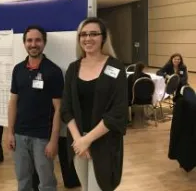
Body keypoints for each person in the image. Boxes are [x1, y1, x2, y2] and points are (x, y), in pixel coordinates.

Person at [60, 17, 128, 191]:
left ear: (103, 38)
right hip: (78, 141)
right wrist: (79, 140)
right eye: (83, 34)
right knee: (85, 187)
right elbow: (66, 109)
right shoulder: (73, 69)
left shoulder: (116, 67)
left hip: (104, 143)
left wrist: (87, 140)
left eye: (93, 34)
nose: (88, 38)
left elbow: (117, 112)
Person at [7, 25, 64, 191]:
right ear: (24, 43)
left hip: (43, 137)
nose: (33, 44)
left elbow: (58, 109)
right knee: (23, 180)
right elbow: (13, 102)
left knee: (46, 183)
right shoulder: (18, 69)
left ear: (44, 43)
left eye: (37, 40)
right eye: (29, 40)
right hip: (19, 135)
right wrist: (10, 132)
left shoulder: (53, 71)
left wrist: (54, 140)